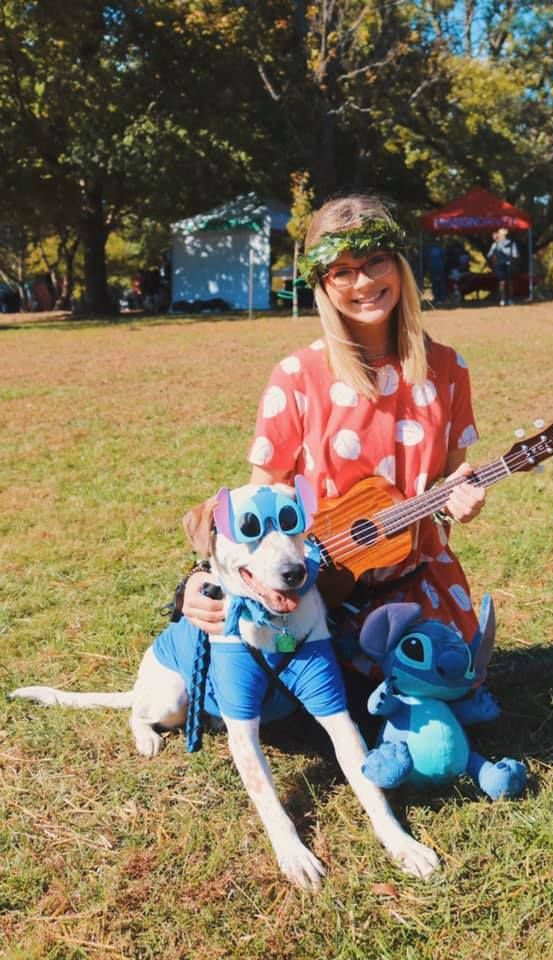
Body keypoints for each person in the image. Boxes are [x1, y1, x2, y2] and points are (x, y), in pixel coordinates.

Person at [182, 194, 487, 680]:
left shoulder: (448, 369)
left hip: (418, 582)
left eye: (375, 262)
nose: (363, 282)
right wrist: (201, 578)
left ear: (399, 265)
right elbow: (259, 503)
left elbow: (453, 477)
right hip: (316, 591)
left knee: (439, 690)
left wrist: (464, 497)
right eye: (342, 271)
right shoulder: (296, 376)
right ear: (323, 284)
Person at [487, 227, 519, 305]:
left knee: (507, 282)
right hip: (501, 265)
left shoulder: (510, 244)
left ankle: (507, 299)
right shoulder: (495, 244)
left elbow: (515, 255)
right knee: (503, 282)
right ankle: (504, 299)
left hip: (507, 265)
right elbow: (490, 255)